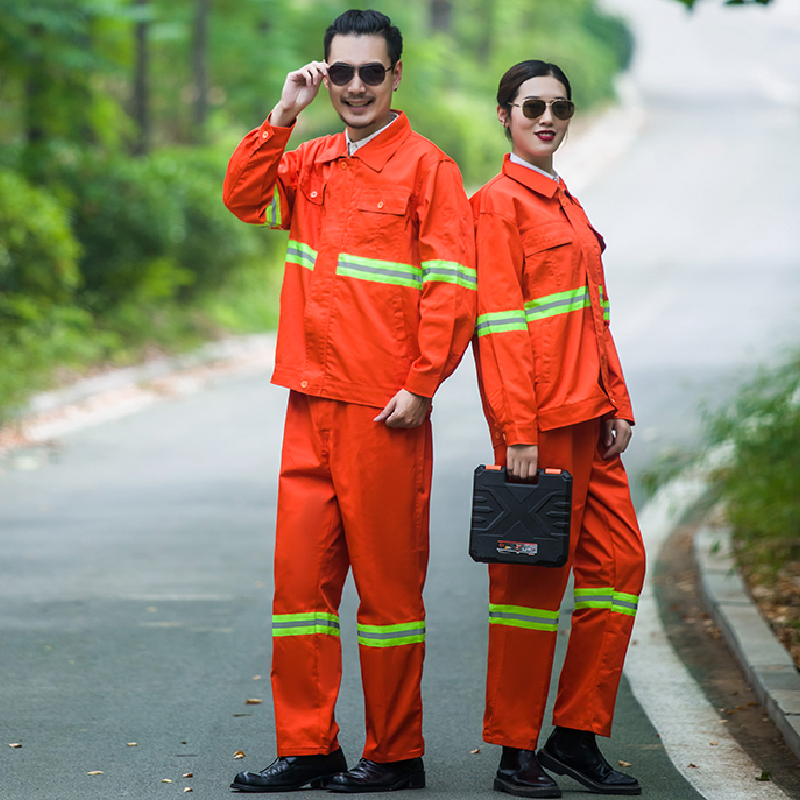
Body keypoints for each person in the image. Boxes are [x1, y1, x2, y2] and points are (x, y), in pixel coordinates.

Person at [222, 9, 475, 794]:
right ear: (325, 74)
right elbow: (243, 198)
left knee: (389, 595)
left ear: (396, 75)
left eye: (371, 71)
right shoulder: (310, 161)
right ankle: (309, 748)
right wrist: (282, 114)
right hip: (309, 402)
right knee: (299, 591)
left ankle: (395, 753)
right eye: (342, 72)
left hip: (383, 413)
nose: (356, 86)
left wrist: (422, 385)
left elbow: (454, 287)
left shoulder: (429, 169)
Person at [470, 60, 646, 798]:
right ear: (505, 115)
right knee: (528, 594)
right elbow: (498, 327)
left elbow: (594, 316)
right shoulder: (495, 206)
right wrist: (516, 430)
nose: (548, 118)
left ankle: (575, 734)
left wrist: (618, 401)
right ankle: (515, 751)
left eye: (560, 107)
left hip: (592, 424)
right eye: (533, 106)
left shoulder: (567, 202)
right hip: (538, 432)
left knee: (620, 568)